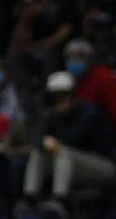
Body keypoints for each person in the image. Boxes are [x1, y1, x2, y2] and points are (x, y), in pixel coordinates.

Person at [26, 70, 115, 200]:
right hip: (71, 162)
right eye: (55, 97)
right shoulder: (52, 114)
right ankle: (31, 198)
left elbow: (73, 140)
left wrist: (53, 143)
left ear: (73, 95)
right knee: (38, 153)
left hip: (103, 164)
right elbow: (37, 136)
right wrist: (45, 141)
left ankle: (60, 200)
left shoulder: (90, 114)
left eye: (63, 96)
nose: (59, 100)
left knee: (63, 153)